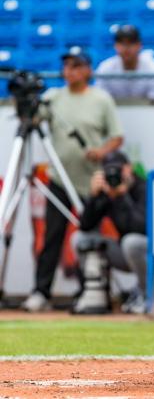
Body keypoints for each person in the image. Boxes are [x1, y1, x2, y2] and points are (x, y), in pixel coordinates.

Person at [21, 47, 123, 312]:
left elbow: (116, 136)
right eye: (67, 65)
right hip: (59, 179)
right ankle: (41, 291)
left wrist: (100, 152)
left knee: (89, 240)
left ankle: (90, 292)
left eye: (76, 65)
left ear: (88, 70)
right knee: (52, 237)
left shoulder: (101, 99)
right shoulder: (53, 97)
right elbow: (32, 120)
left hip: (91, 182)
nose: (70, 70)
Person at [70, 151, 147, 315]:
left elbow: (140, 227)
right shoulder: (107, 189)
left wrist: (122, 196)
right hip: (122, 253)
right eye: (109, 170)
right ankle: (97, 294)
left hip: (145, 252)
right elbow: (85, 226)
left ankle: (144, 293)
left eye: (118, 169)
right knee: (79, 239)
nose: (114, 174)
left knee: (131, 241)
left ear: (129, 168)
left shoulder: (144, 187)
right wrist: (93, 197)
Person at [95, 24, 154, 102]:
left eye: (131, 43)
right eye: (122, 43)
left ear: (139, 45)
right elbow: (100, 102)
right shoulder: (105, 69)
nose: (126, 48)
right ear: (115, 46)